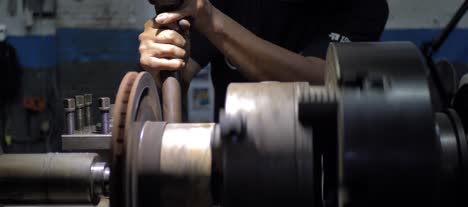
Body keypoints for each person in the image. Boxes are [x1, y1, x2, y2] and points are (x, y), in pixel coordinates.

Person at [139, 0, 389, 120]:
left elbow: (323, 82)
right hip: (232, 178)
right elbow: (176, 78)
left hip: (325, 185)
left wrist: (214, 22)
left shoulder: (365, 7)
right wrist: (159, 60)